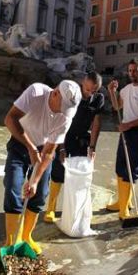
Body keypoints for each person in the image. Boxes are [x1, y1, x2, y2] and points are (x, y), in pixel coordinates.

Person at [0, 80, 81, 260]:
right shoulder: (36, 92)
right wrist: (30, 148)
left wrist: (35, 181)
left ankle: (26, 237)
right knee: (13, 188)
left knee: (39, 194)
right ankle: (10, 242)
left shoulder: (66, 117)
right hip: (19, 143)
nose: (61, 113)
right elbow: (10, 119)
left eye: (66, 110)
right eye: (61, 107)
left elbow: (49, 152)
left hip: (42, 150)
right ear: (55, 93)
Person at [44, 71, 104, 223]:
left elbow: (96, 124)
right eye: (87, 89)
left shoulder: (98, 99)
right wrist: (62, 147)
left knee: (80, 173)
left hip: (82, 138)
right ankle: (50, 208)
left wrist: (93, 146)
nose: (89, 93)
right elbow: (61, 119)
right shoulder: (72, 93)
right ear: (83, 82)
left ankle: (75, 208)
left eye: (94, 91)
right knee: (58, 172)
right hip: (64, 136)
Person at [106, 58, 138, 220]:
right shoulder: (126, 89)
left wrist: (129, 125)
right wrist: (111, 92)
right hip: (126, 131)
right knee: (121, 165)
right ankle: (122, 202)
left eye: (136, 70)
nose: (132, 73)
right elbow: (116, 107)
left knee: (133, 167)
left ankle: (124, 209)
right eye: (130, 70)